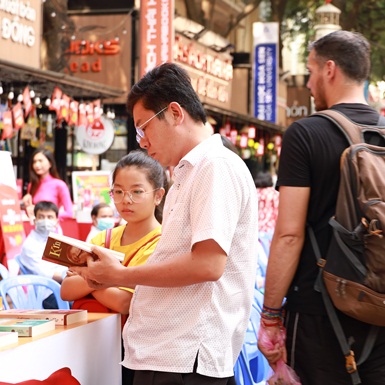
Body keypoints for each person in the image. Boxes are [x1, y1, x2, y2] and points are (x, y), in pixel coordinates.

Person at [70, 62, 258, 385]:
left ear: (174, 112)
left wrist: (122, 275)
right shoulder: (190, 171)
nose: (142, 141)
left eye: (144, 128)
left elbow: (208, 264)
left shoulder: (214, 166)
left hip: (185, 360)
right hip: (170, 356)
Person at [258, 30, 385, 385]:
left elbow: (288, 235)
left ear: (330, 69)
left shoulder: (306, 134)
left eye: (311, 71)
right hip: (381, 304)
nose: (310, 84)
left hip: (318, 307)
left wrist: (270, 315)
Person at [18, 201, 67, 308]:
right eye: (41, 217)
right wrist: (69, 276)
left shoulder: (56, 239)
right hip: (46, 294)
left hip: (63, 286)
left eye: (50, 217)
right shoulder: (30, 245)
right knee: (80, 304)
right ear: (35, 221)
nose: (46, 221)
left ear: (57, 222)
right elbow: (47, 274)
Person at [22, 148, 73, 221]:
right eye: (34, 162)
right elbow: (31, 214)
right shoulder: (31, 185)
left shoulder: (59, 185)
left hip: (52, 228)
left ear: (50, 163)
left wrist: (48, 216)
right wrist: (27, 206)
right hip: (37, 227)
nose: (37, 165)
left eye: (40, 161)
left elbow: (69, 213)